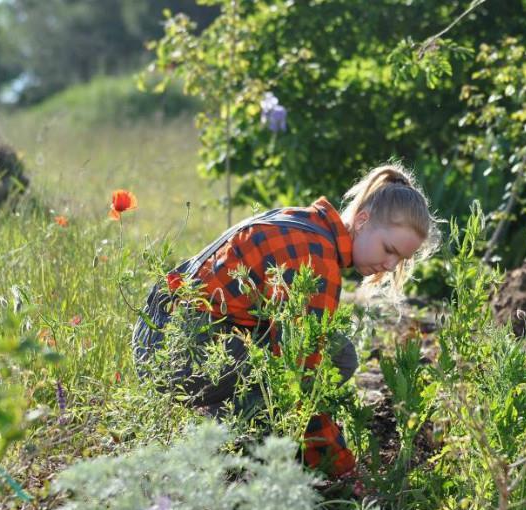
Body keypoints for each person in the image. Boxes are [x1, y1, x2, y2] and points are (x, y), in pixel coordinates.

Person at [132, 162, 439, 477]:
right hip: (171, 350)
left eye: (400, 259)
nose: (390, 265)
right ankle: (220, 447)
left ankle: (236, 433)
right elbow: (302, 378)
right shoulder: (315, 258)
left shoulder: (307, 223)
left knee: (337, 352)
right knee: (312, 364)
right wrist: (341, 470)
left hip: (162, 332)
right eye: (389, 250)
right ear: (362, 221)